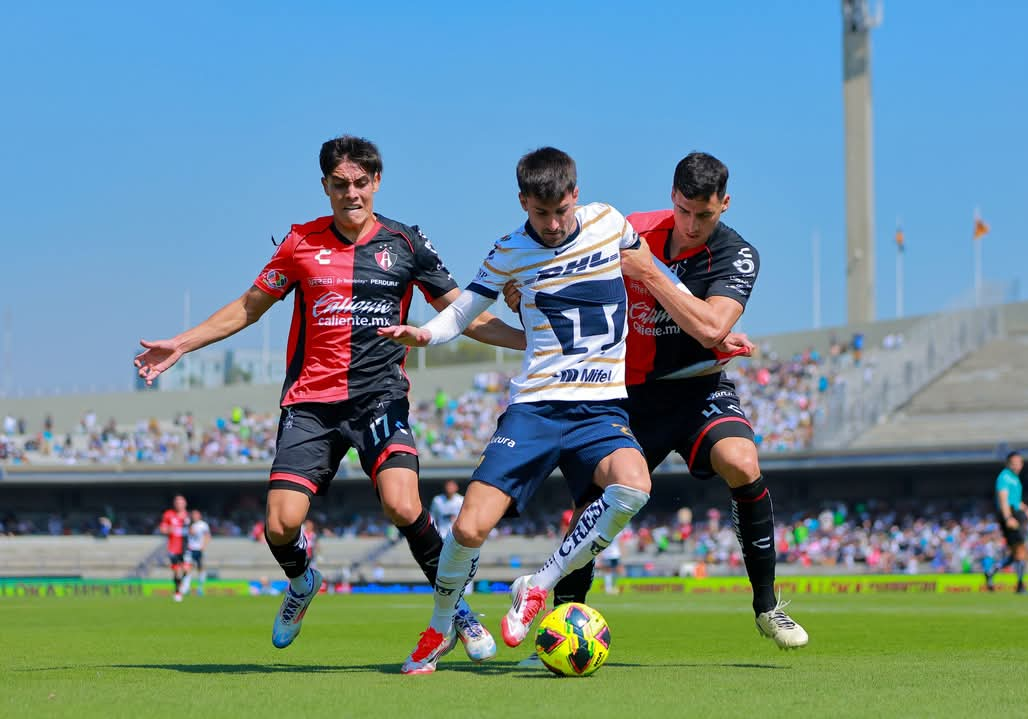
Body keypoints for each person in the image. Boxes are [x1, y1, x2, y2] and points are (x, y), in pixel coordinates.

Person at [134, 135, 524, 655]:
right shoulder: (300, 242)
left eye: (361, 183)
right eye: (340, 184)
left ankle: (453, 608)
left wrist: (533, 342)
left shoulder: (406, 244)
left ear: (376, 182)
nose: (352, 194)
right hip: (311, 404)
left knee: (402, 504)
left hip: (379, 398)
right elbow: (248, 307)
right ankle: (301, 583)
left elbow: (461, 313)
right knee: (280, 523)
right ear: (324, 187)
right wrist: (181, 344)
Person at [508, 152, 807, 659]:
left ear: (725, 205)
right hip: (626, 396)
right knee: (596, 500)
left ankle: (766, 605)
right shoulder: (631, 228)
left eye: (706, 216)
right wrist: (525, 291)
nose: (692, 226)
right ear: (673, 197)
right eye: (685, 211)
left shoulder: (737, 254)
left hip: (698, 388)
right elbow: (558, 263)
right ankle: (562, 614)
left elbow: (712, 327)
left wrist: (650, 272)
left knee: (742, 461)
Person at [380, 147, 655, 674]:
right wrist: (426, 334)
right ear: (523, 201)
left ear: (575, 194)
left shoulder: (609, 222)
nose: (552, 224)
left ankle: (539, 584)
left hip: (599, 408)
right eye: (540, 213)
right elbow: (462, 313)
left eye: (560, 211)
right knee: (467, 529)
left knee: (635, 485)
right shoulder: (508, 251)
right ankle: (440, 627)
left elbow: (656, 269)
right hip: (534, 407)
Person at [985, 451, 1028, 593]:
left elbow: (1016, 501)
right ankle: (1020, 585)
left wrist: (1027, 510)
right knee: (1021, 549)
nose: (1017, 465)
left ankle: (991, 571)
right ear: (1008, 463)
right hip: (1008, 515)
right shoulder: (1004, 477)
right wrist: (1008, 518)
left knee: (1017, 552)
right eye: (1014, 463)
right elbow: (1003, 499)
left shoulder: (1015, 479)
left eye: (1019, 463)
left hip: (1015, 513)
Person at [158, 495, 190, 602]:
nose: (179, 504)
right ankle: (177, 592)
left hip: (186, 547)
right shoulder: (168, 514)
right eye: (177, 502)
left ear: (185, 503)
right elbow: (162, 529)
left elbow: (195, 530)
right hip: (173, 547)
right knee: (177, 571)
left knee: (186, 569)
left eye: (181, 502)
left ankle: (183, 585)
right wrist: (168, 530)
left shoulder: (188, 516)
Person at [184, 509, 211, 596]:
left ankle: (200, 588)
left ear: (199, 516)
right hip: (190, 549)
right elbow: (189, 533)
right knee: (187, 568)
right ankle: (186, 588)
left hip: (198, 549)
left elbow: (207, 536)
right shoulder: (188, 523)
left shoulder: (203, 525)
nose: (194, 516)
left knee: (200, 569)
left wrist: (203, 546)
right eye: (193, 515)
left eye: (196, 515)